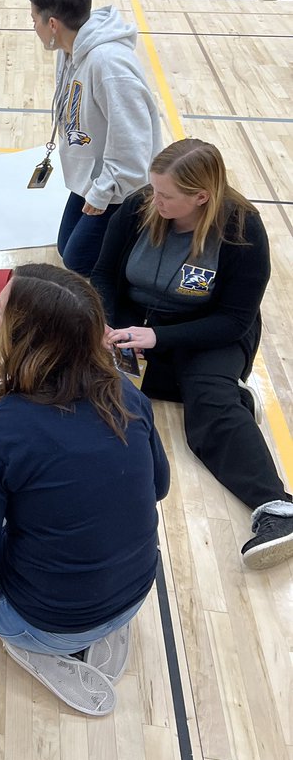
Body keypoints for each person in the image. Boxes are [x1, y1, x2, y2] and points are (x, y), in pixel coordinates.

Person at [0, 263, 169, 715]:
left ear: (26, 340)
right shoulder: (127, 393)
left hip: (47, 621)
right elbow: (159, 486)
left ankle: (34, 645)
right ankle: (97, 624)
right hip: (135, 591)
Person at [92, 138, 293, 569]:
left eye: (166, 195)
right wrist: (105, 322)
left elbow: (234, 320)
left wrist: (157, 338)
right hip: (137, 323)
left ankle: (277, 508)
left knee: (209, 399)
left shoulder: (242, 229)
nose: (154, 200)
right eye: (153, 189)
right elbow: (103, 274)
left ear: (201, 197)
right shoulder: (140, 206)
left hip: (210, 332)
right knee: (90, 373)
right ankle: (227, 398)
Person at [28, 0, 162, 276]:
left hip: (123, 185)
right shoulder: (69, 51)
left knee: (79, 260)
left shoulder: (109, 65)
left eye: (34, 19)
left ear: (53, 24)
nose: (33, 26)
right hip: (93, 175)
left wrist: (103, 192)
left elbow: (135, 146)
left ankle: (152, 236)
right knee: (67, 248)